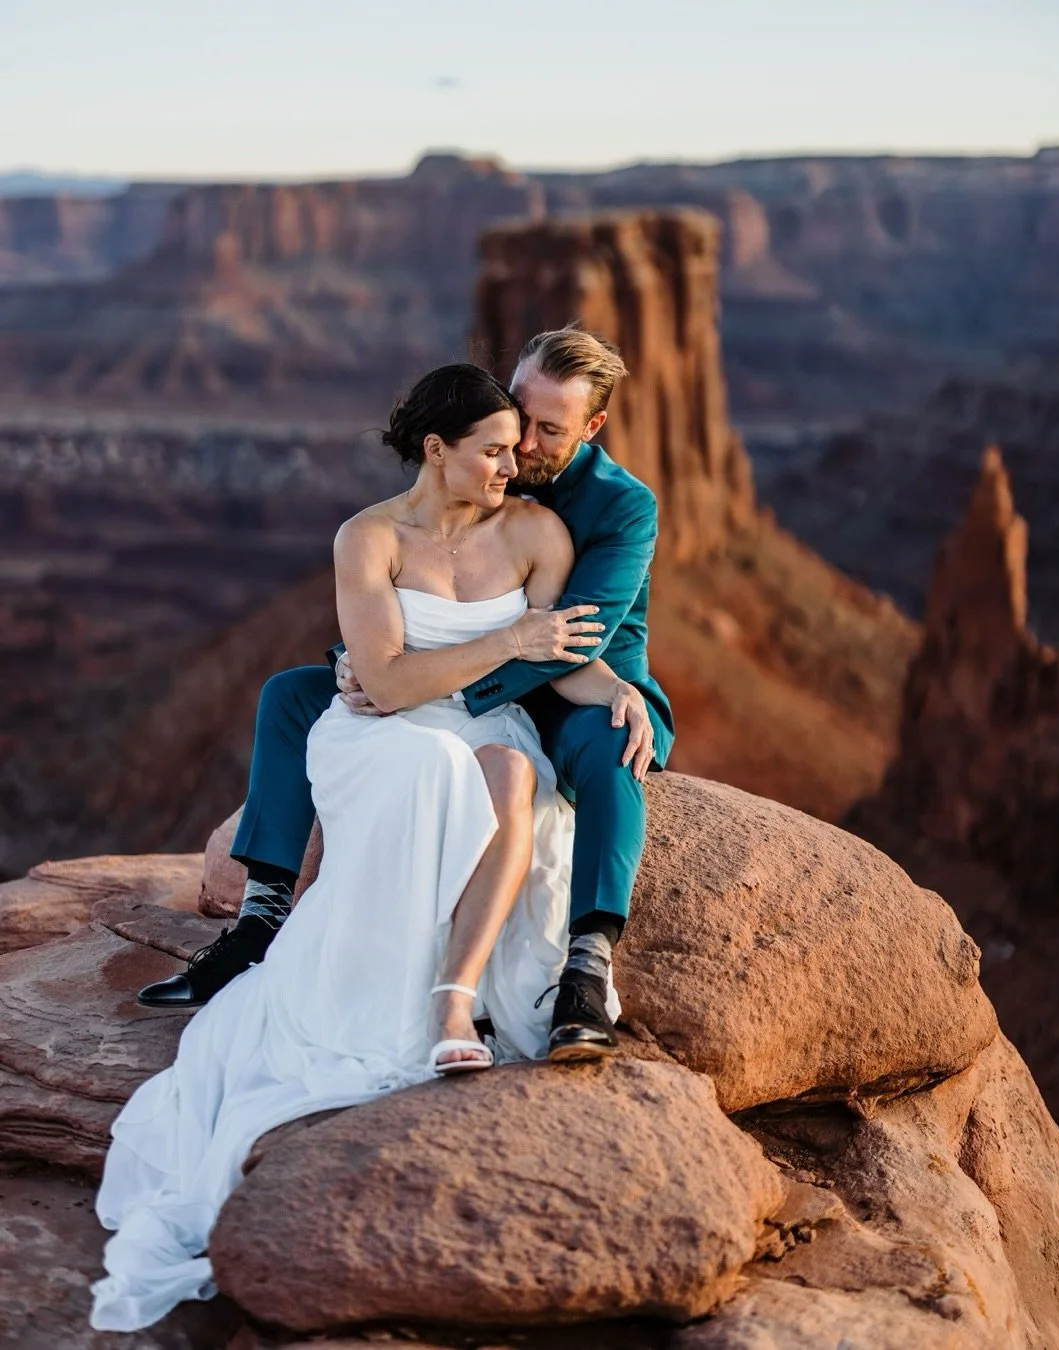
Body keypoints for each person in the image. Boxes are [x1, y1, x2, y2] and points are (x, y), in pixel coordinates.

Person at [92, 362, 648, 1331]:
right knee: (424, 766)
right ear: (438, 450)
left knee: (511, 777)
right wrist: (503, 645)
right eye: (495, 450)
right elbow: (384, 684)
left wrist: (620, 694)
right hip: (380, 728)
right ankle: (290, 934)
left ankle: (454, 1000)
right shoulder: (369, 536)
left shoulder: (540, 532)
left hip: (486, 723)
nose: (514, 465)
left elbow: (563, 656)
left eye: (523, 447)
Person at [137, 327, 674, 1060]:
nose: (524, 449)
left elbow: (570, 639)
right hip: (454, 675)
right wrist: (362, 663)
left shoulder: (618, 508)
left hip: (573, 684)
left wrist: (418, 684)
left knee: (615, 745)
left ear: (592, 427)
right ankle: (260, 921)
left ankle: (585, 965)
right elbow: (408, 579)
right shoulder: (480, 461)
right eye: (519, 419)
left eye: (549, 431)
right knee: (291, 696)